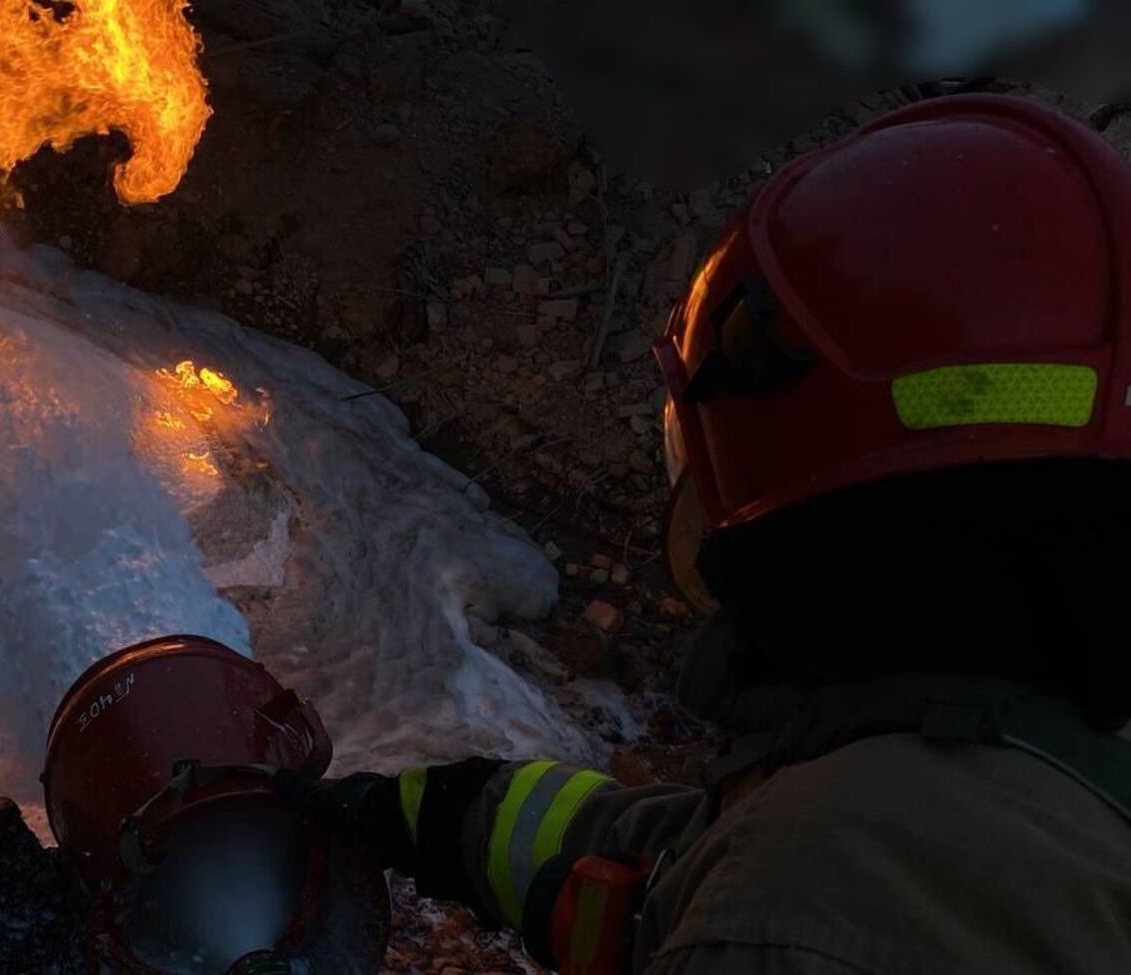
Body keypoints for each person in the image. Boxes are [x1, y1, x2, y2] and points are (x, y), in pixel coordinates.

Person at [276, 93, 1131, 974]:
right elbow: (677, 860)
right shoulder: (1018, 756)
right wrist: (422, 813)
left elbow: (759, 886)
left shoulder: (811, 896)